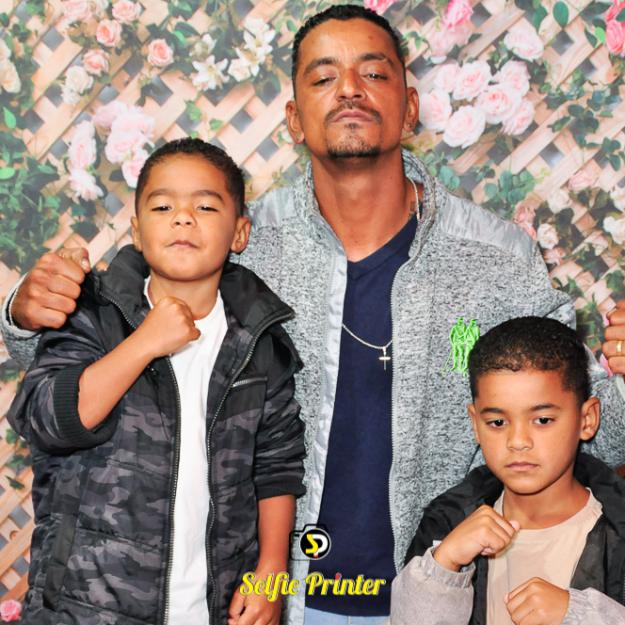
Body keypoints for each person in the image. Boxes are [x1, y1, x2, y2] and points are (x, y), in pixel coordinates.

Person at [4, 5, 625, 624]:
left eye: (373, 74)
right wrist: (25, 315)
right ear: (294, 120)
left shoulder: (497, 258)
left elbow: (589, 428)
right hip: (274, 599)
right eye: (324, 77)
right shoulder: (237, 240)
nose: (350, 89)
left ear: (410, 108)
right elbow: (94, 359)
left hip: (441, 595)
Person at [7, 138, 306, 625]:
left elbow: (278, 467)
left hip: (213, 609)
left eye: (205, 206)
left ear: (239, 232)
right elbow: (48, 421)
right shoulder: (93, 314)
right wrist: (144, 342)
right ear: (137, 231)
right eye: (163, 206)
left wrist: (272, 576)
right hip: (85, 609)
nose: (183, 218)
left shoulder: (260, 342)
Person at [391, 317, 625, 625]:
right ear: (476, 424)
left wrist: (581, 616)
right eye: (497, 422)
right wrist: (444, 566)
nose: (517, 441)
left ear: (587, 419)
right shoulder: (447, 524)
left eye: (542, 420)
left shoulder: (618, 530)